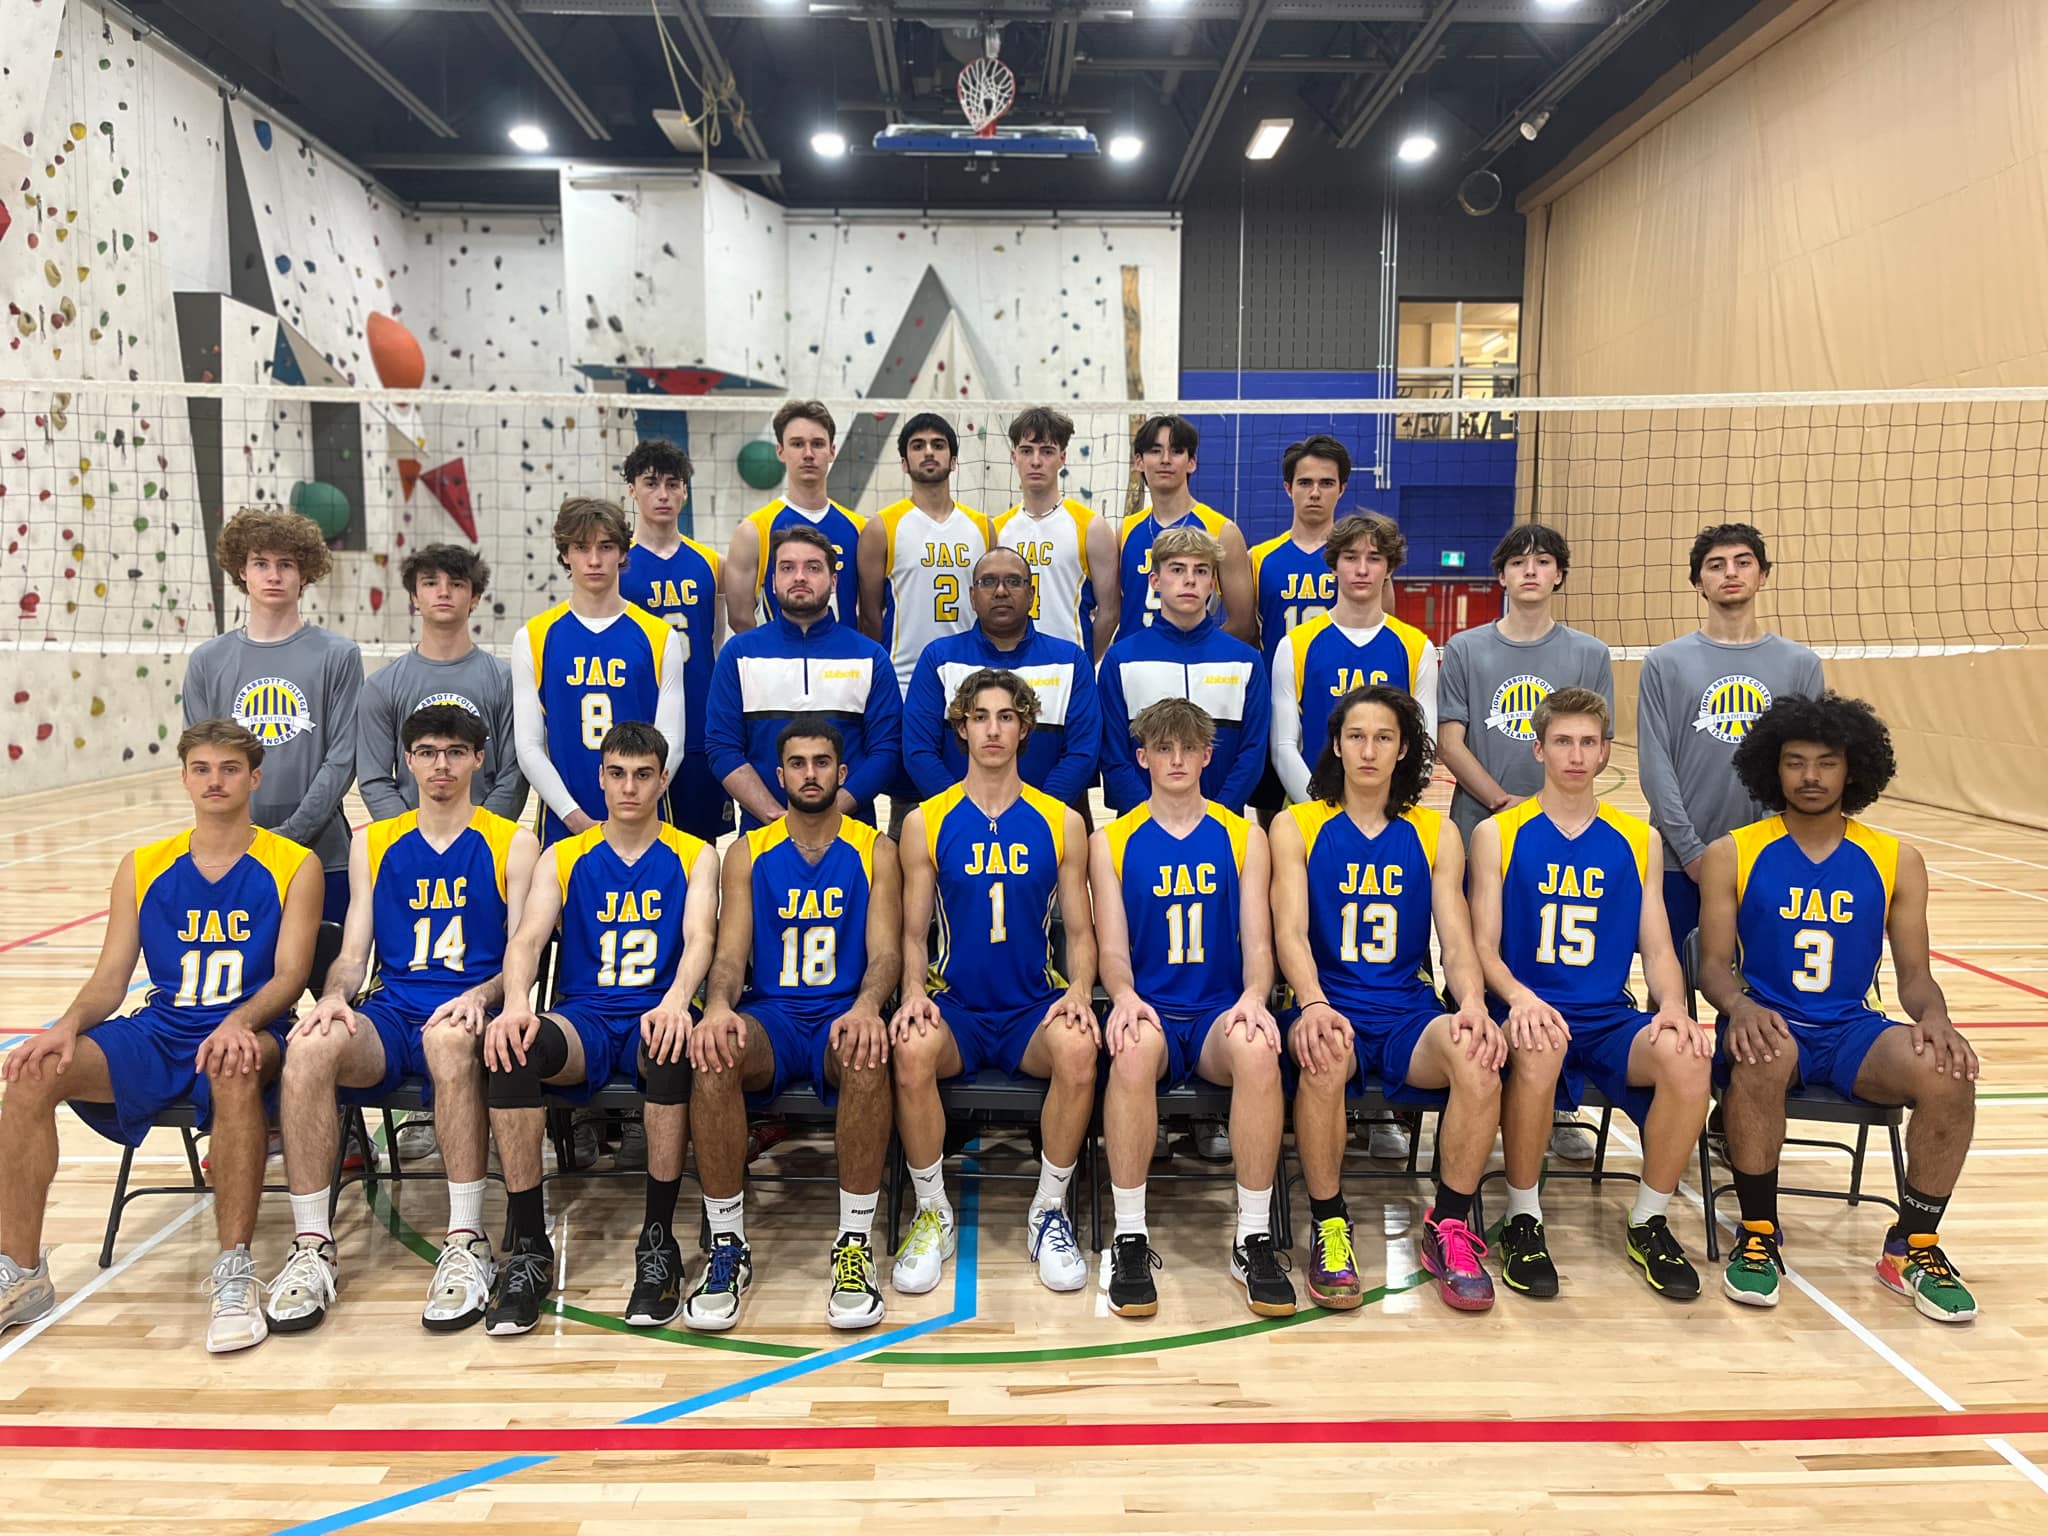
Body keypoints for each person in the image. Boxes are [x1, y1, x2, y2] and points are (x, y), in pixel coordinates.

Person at [0, 720, 323, 1352]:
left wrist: (239, 1022)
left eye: (229, 769)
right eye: (201, 769)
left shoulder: (294, 863)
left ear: (254, 778)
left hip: (251, 1028)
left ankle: (234, 1271)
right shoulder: (143, 866)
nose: (214, 781)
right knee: (32, 1072)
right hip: (164, 1028)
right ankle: (21, 1272)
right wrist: (64, 1027)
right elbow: (110, 978)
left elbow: (291, 976)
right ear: (184, 778)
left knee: (232, 1064)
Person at [1700, 693, 1981, 1322]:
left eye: (1826, 762)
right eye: (1795, 762)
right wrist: (1738, 1007)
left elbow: (1915, 977)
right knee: (1763, 1054)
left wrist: (1936, 1020)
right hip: (1770, 1020)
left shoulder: (1895, 858)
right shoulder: (1733, 852)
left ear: (1853, 770)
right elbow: (1713, 964)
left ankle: (1912, 1246)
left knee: (1949, 1073)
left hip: (1854, 1029)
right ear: (1772, 768)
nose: (1810, 776)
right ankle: (1758, 1233)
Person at [263, 705, 539, 1336]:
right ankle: (311, 1246)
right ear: (407, 761)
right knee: (309, 1046)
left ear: (478, 759)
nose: (441, 765)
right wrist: (334, 996)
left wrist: (483, 995)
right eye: (427, 752)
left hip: (471, 1008)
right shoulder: (374, 841)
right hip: (391, 1011)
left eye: (455, 752)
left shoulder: (513, 842)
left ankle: (466, 1240)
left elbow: (521, 953)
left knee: (447, 1040)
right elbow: (353, 952)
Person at [1469, 688, 1714, 1303]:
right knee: (1540, 1044)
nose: (1576, 756)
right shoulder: (1498, 833)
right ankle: (1523, 1219)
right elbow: (1482, 949)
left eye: (1588, 743)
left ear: (1605, 752)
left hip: (1607, 1017)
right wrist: (1520, 999)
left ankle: (1649, 1221)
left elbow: (1658, 947)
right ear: (1539, 749)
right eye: (1562, 742)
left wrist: (1674, 1007)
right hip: (1524, 1009)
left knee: (1689, 1057)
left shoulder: (1637, 838)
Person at [481, 722, 719, 1337]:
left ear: (663, 781)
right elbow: (527, 940)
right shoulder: (564, 855)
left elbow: (700, 938)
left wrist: (676, 1001)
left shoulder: (695, 854)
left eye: (643, 775)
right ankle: (529, 1247)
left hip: (654, 1012)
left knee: (670, 1049)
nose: (629, 787)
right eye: (617, 774)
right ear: (601, 779)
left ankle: (658, 1242)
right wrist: (515, 1004)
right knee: (513, 1049)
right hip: (583, 1016)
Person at [1272, 686, 1504, 1313]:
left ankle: (1449, 1225)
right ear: (1337, 745)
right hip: (1330, 1003)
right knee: (1323, 1054)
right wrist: (1313, 1004)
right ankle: (1329, 1224)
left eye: (1383, 738)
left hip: (1408, 1012)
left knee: (1478, 1056)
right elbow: (1289, 932)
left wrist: (1473, 1005)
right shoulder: (1297, 825)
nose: (1368, 751)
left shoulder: (1435, 833)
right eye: (1356, 737)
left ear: (1404, 750)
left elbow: (1457, 942)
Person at [687, 720, 903, 1332]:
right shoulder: (747, 852)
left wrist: (867, 1007)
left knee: (867, 1053)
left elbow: (887, 952)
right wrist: (718, 1007)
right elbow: (730, 955)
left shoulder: (875, 849)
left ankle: (853, 1246)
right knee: (715, 1053)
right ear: (780, 776)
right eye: (799, 764)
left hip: (842, 1010)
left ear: (842, 772)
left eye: (823, 762)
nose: (811, 774)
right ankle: (727, 1245)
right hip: (774, 1015)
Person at [890, 670, 1099, 1298]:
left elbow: (1081, 931)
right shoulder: (926, 822)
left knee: (1080, 1049)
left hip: (1032, 1006)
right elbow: (911, 933)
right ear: (960, 728)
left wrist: (1080, 991)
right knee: (909, 1050)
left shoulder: (1061, 821)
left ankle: (1048, 1212)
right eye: (979, 717)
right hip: (955, 1006)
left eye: (1006, 717)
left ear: (1024, 728)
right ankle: (933, 1212)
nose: (992, 729)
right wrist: (912, 993)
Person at [1093, 699, 1295, 1320]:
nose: (1176, 759)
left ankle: (1252, 1237)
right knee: (1131, 1048)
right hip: (1151, 1007)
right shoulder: (1111, 841)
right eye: (1163, 748)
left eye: (1189, 748)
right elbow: (1111, 949)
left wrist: (1255, 997)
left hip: (1215, 1014)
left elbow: (1258, 944)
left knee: (1258, 1048)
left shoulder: (1244, 836)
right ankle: (1129, 1237)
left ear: (1208, 757)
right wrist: (1124, 997)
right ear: (1142, 757)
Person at [1437, 522, 1613, 1165]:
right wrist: (1503, 805)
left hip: (1562, 834)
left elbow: (1595, 741)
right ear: (1502, 576)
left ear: (1559, 574)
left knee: (1548, 953)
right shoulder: (1465, 648)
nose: (1531, 571)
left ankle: (1558, 1097)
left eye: (1543, 562)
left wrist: (1544, 812)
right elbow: (1450, 740)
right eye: (1518, 562)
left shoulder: (1589, 652)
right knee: (1469, 950)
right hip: (1479, 823)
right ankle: (1471, 1075)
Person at [1637, 522, 1824, 948]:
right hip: (1678, 861)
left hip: (1770, 855)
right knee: (1674, 975)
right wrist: (1691, 852)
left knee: (1760, 978)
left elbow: (1805, 766)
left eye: (1743, 562)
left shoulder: (1801, 665)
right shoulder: (1664, 663)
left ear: (1763, 575)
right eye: (1716, 565)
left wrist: (1757, 846)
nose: (1731, 573)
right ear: (1698, 582)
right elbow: (1655, 766)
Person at [183, 507, 363, 921]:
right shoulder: (208, 661)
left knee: (329, 964)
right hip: (231, 857)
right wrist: (240, 839)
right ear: (242, 571)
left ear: (305, 574)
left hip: (323, 855)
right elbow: (201, 762)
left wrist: (290, 834)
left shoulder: (339, 655)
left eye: (286, 564)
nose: (274, 575)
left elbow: (342, 759)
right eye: (261, 563)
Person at [705, 525, 903, 834]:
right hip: (764, 834)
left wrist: (830, 814)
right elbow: (722, 747)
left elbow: (887, 750)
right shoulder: (739, 654)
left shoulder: (870, 657)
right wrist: (774, 816)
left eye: (813, 568)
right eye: (787, 568)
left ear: (833, 581)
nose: (799, 577)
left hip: (851, 835)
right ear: (773, 582)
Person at [512, 497, 686, 846]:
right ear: (565, 554)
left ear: (622, 552)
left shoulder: (658, 636)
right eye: (581, 547)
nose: (594, 560)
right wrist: (574, 817)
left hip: (644, 822)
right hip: (563, 824)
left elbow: (672, 743)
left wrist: (629, 815)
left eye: (606, 547)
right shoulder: (533, 637)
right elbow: (528, 746)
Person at [902, 547, 1101, 806]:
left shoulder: (1071, 660)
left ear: (1031, 594)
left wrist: (1038, 815)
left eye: (1014, 581)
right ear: (972, 596)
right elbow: (919, 751)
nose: (1001, 591)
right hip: (952, 818)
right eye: (988, 582)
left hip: (1050, 820)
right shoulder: (938, 658)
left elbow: (1082, 752)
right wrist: (962, 812)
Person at [1097, 527, 1269, 816]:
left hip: (1223, 824)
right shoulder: (1120, 659)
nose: (1190, 579)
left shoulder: (1246, 661)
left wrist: (1217, 817)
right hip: (1139, 824)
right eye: (1177, 569)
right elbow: (1112, 755)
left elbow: (1253, 752)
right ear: (1155, 580)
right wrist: (1148, 818)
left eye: (1201, 571)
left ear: (1212, 583)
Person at [1271, 512, 1438, 807]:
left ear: (1389, 568)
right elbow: (1284, 746)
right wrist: (1318, 810)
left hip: (1390, 810)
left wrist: (1395, 805)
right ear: (1333, 565)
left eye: (1374, 558)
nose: (1362, 569)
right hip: (1312, 806)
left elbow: (1425, 744)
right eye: (1350, 557)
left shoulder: (1416, 646)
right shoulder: (1295, 646)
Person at [357, 544, 527, 823]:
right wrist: (412, 838)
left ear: (475, 598)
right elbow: (375, 779)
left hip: (487, 840)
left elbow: (514, 776)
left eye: (456, 584)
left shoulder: (506, 682)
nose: (443, 592)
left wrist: (479, 836)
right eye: (430, 583)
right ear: (414, 597)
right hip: (409, 840)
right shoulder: (381, 686)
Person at [617, 437, 730, 843]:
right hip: (639, 721)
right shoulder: (617, 565)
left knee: (699, 845)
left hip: (698, 724)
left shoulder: (711, 564)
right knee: (637, 841)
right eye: (651, 483)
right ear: (632, 490)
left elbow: (716, 641)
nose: (663, 494)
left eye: (673, 483)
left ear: (685, 490)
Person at [1244, 435, 1345, 819]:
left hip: (1338, 702)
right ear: (1288, 488)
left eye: (1326, 483)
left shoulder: (1356, 560)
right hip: (1275, 705)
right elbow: (1247, 631)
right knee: (1271, 817)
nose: (1315, 492)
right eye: (1305, 482)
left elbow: (1382, 622)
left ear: (1342, 488)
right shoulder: (1260, 558)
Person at [858, 411, 992, 696]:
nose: (928, 452)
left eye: (938, 445)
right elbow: (869, 615)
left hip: (972, 675)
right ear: (904, 463)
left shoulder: (983, 527)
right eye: (918, 446)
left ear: (953, 461)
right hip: (903, 678)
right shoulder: (881, 527)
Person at [725, 400, 866, 631]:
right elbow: (740, 618)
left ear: (832, 451)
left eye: (817, 444)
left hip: (846, 652)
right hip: (779, 653)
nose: (808, 454)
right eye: (797, 444)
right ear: (780, 452)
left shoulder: (860, 528)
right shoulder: (753, 531)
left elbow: (871, 611)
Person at [1115, 414, 1255, 643]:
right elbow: (1113, 611)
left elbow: (1243, 624)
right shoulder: (1126, 530)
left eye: (1176, 451)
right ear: (1138, 461)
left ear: (1192, 463)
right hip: (1132, 661)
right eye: (1155, 451)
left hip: (1194, 661)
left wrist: (1195, 653)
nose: (1165, 459)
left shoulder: (1222, 531)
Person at [994, 406, 1119, 658]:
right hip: (1009, 667)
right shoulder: (997, 530)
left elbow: (1110, 611)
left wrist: (1082, 662)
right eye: (1026, 451)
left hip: (1068, 667)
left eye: (1047, 451)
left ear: (1062, 458)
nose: (1036, 461)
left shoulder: (1091, 527)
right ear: (1013, 456)